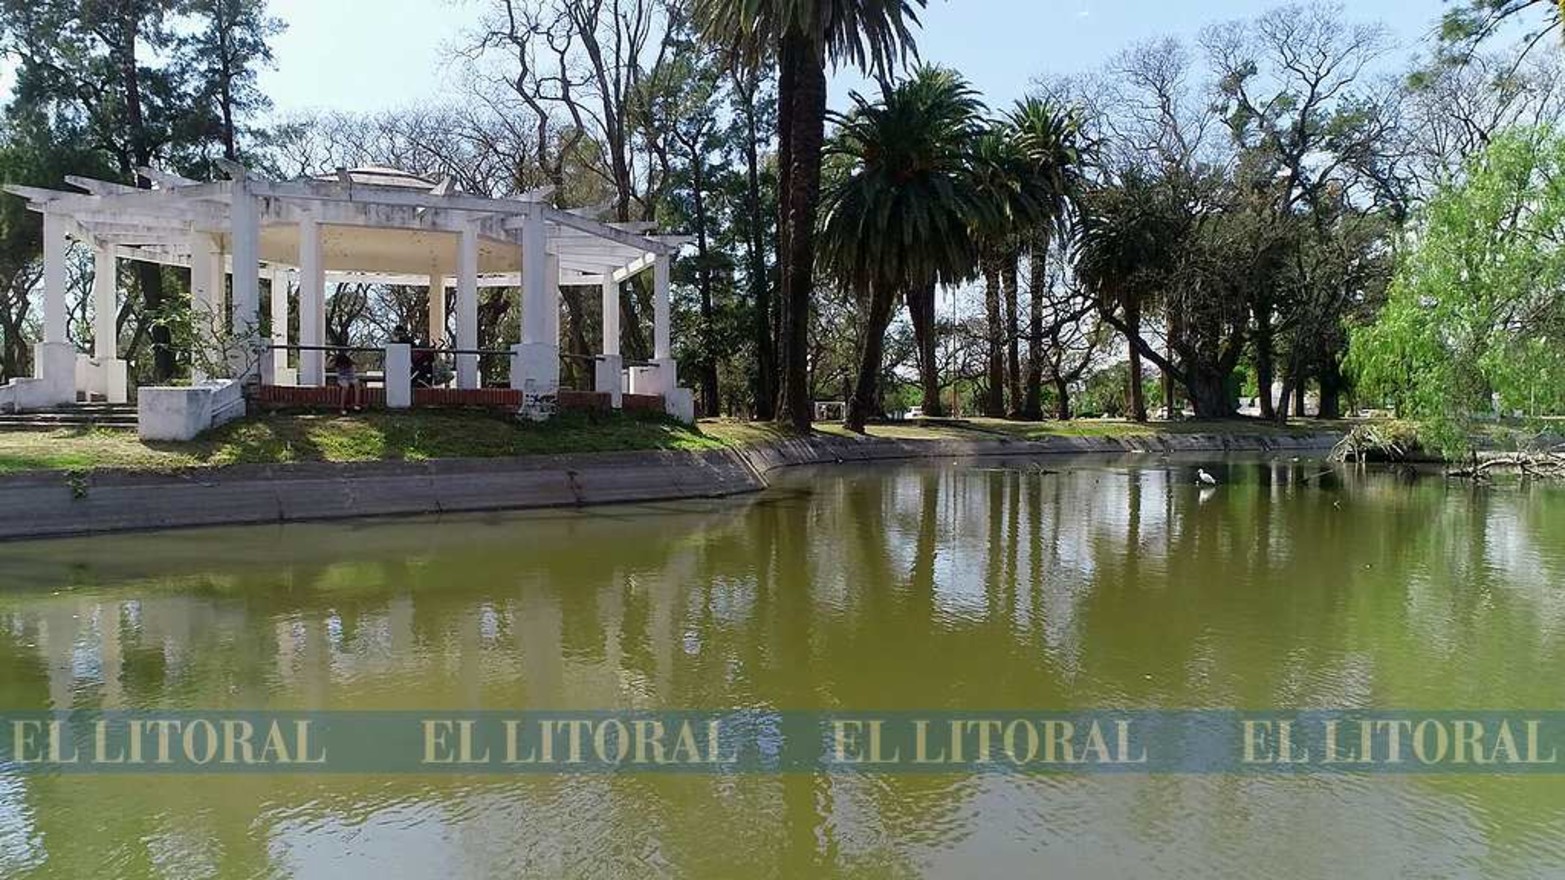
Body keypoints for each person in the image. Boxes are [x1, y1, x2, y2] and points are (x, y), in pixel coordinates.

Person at [333, 348, 362, 414]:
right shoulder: (338, 363)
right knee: (345, 387)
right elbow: (328, 365)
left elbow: (357, 364)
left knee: (357, 385)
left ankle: (357, 404)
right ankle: (342, 407)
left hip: (351, 377)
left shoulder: (350, 362)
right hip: (342, 378)